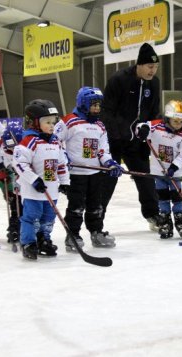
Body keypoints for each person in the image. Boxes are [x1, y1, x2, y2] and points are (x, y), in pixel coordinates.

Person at [101, 42, 161, 231]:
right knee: (108, 180)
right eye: (150, 66)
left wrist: (147, 127)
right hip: (115, 140)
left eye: (156, 67)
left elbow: (153, 113)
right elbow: (106, 112)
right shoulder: (119, 79)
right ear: (140, 65)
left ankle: (152, 214)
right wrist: (120, 132)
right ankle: (97, 217)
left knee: (146, 179)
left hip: (137, 142)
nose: (153, 70)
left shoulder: (154, 82)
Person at [55, 87, 123, 252]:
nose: (97, 108)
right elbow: (55, 142)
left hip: (95, 174)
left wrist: (110, 164)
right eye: (93, 104)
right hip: (76, 175)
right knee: (76, 207)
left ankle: (96, 232)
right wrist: (64, 159)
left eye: (99, 105)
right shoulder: (69, 121)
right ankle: (73, 235)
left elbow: (102, 151)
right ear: (83, 104)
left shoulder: (100, 126)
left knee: (96, 206)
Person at [12, 99, 70, 260]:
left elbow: (61, 165)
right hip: (33, 190)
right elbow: (19, 163)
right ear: (35, 123)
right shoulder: (29, 141)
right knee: (32, 217)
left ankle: (44, 239)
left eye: (54, 122)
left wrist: (65, 182)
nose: (52, 126)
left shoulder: (55, 142)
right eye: (47, 122)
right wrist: (34, 179)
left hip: (51, 190)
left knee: (48, 218)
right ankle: (29, 243)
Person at [135, 100, 182, 239]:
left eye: (181, 121)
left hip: (175, 174)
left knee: (177, 197)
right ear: (167, 118)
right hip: (158, 173)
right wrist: (142, 131)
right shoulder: (156, 126)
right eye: (175, 121)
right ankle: (165, 220)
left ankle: (179, 219)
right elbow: (141, 126)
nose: (179, 124)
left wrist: (174, 167)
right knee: (162, 197)